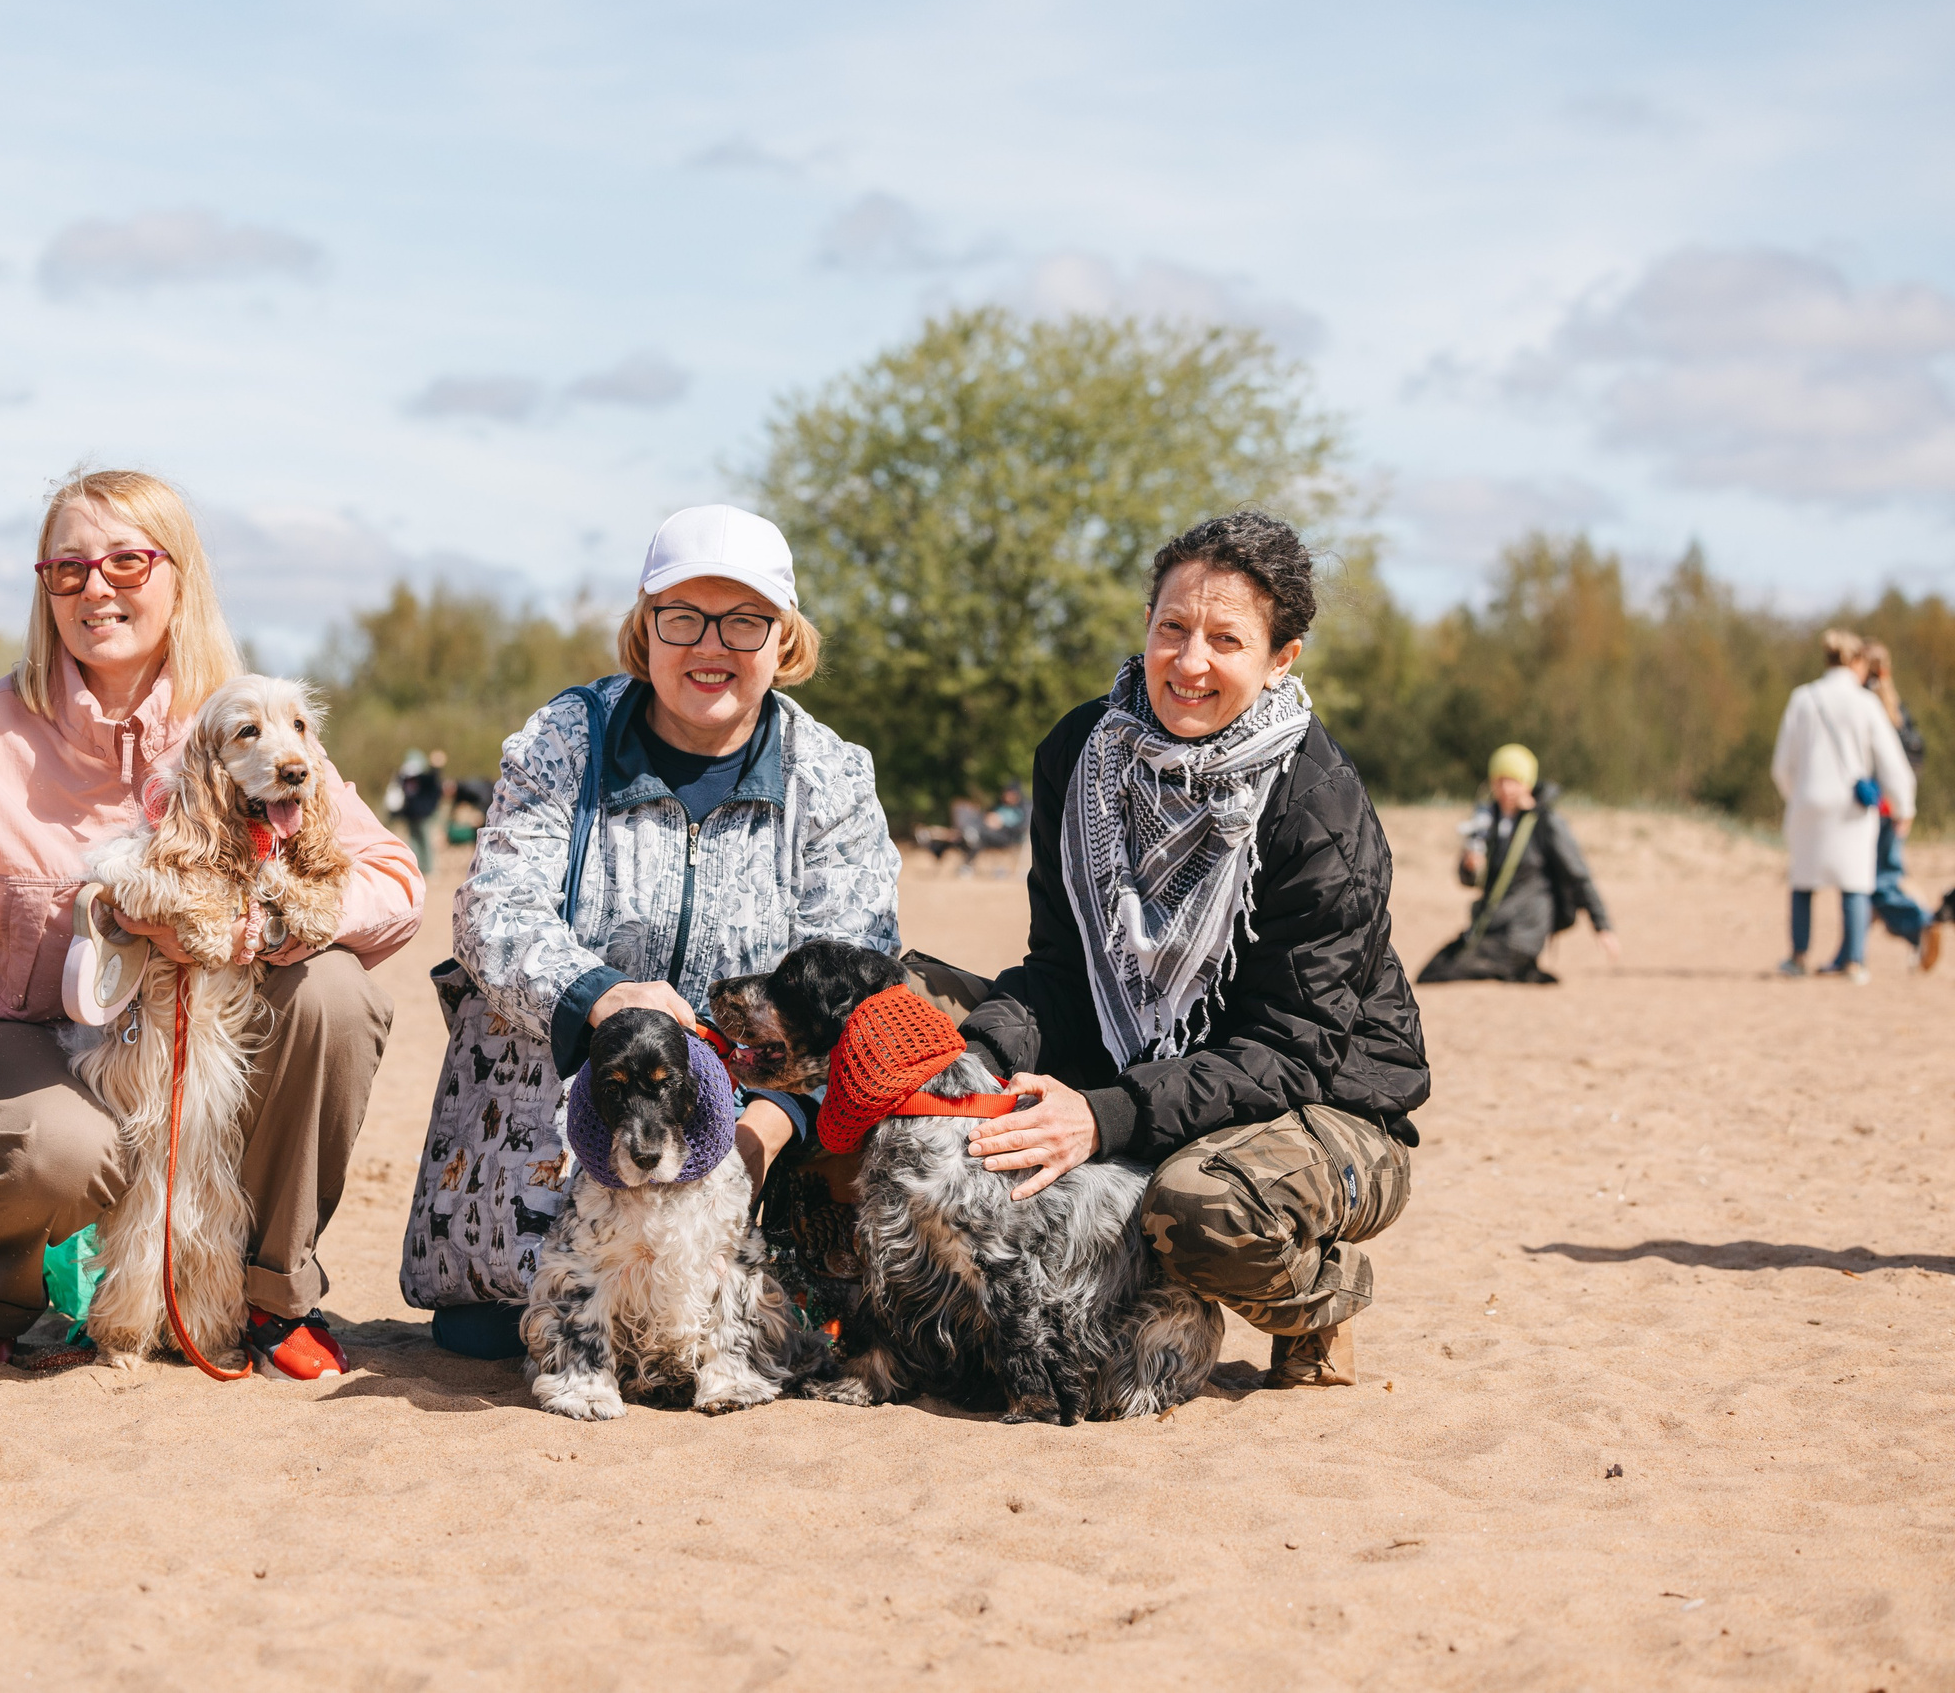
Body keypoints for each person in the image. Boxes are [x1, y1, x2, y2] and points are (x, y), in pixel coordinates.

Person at [0, 469, 423, 1378]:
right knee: (62, 1149)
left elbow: (394, 881)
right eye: (68, 569)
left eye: (126, 562)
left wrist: (259, 930)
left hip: (203, 1031)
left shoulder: (245, 723)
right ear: (45, 588)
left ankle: (266, 1298)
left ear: (180, 576)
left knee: (337, 998)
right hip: (29, 1036)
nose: (95, 588)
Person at [918, 510, 1430, 1390]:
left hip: (1323, 1104)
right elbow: (1061, 968)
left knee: (1200, 1208)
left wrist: (1102, 1116)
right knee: (901, 1014)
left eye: (1226, 640)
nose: (1189, 663)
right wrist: (976, 1059)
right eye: (1173, 628)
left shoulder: (1320, 808)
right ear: (1146, 626)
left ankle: (1322, 1296)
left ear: (1281, 660)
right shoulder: (1079, 754)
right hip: (1137, 1054)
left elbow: (1287, 1052)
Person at [435, 503, 901, 1355]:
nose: (710, 645)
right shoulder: (564, 741)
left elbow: (857, 976)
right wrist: (602, 996)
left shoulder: (833, 777)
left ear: (785, 640)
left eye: (745, 621)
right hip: (557, 1126)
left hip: (755, 1140)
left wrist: (759, 1136)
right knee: (490, 1335)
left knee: (758, 1344)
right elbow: (491, 913)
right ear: (644, 630)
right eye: (682, 617)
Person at [1771, 630, 1914, 984]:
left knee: (1803, 881)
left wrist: (1797, 794)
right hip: (1852, 807)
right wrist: (1903, 805)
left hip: (1808, 800)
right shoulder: (1864, 703)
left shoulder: (1802, 698)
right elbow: (1891, 761)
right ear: (1856, 662)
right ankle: (1853, 962)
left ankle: (1798, 957)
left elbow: (1781, 765)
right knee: (1855, 883)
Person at [1415, 744, 1619, 984]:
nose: (1506, 789)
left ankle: (1521, 969)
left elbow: (1578, 875)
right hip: (1489, 927)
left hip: (1522, 933)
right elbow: (1469, 881)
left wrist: (1602, 926)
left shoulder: (1545, 822)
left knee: (1448, 973)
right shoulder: (1487, 821)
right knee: (1432, 970)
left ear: (1528, 783)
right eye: (1500, 781)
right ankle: (1523, 973)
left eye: (1514, 781)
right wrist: (1470, 867)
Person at [1861, 640, 1934, 969]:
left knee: (1875, 882)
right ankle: (1853, 953)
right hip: (1896, 807)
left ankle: (1921, 923)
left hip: (1877, 806)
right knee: (1877, 880)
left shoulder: (1866, 704)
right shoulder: (1896, 707)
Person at [395, 748, 447, 873]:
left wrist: (435, 767)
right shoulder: (405, 778)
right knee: (414, 841)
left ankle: (428, 869)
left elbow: (433, 779)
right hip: (412, 814)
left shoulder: (423, 778)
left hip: (422, 815)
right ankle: (417, 867)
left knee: (424, 842)